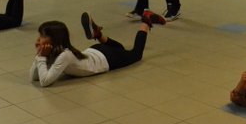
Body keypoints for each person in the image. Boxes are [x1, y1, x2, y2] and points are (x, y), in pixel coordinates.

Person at [30, 10, 165, 87]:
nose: (38, 39)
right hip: (97, 51)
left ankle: (145, 22)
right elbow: (34, 77)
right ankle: (98, 35)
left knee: (136, 54)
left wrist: (41, 57)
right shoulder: (57, 51)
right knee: (120, 48)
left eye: (42, 36)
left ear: (55, 39)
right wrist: (40, 55)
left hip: (107, 58)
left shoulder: (64, 55)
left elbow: (44, 82)